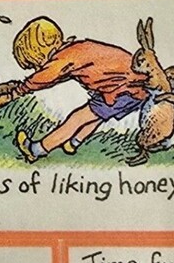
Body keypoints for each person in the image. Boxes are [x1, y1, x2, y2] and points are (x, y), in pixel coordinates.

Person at [11, 16, 147, 161]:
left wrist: (21, 89)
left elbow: (46, 76)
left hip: (123, 90)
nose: (38, 68)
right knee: (97, 115)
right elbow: (62, 75)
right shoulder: (75, 49)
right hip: (134, 88)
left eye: (36, 64)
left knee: (77, 119)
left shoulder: (65, 57)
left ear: (41, 52)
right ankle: (73, 143)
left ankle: (36, 150)